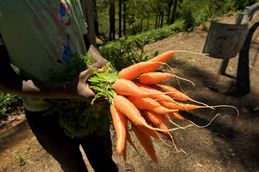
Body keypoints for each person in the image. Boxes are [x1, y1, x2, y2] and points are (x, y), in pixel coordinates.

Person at [0, 1, 134, 171]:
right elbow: (3, 79)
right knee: (73, 167)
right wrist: (65, 90)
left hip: (90, 103)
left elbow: (86, 44)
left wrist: (101, 62)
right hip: (45, 114)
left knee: (105, 162)